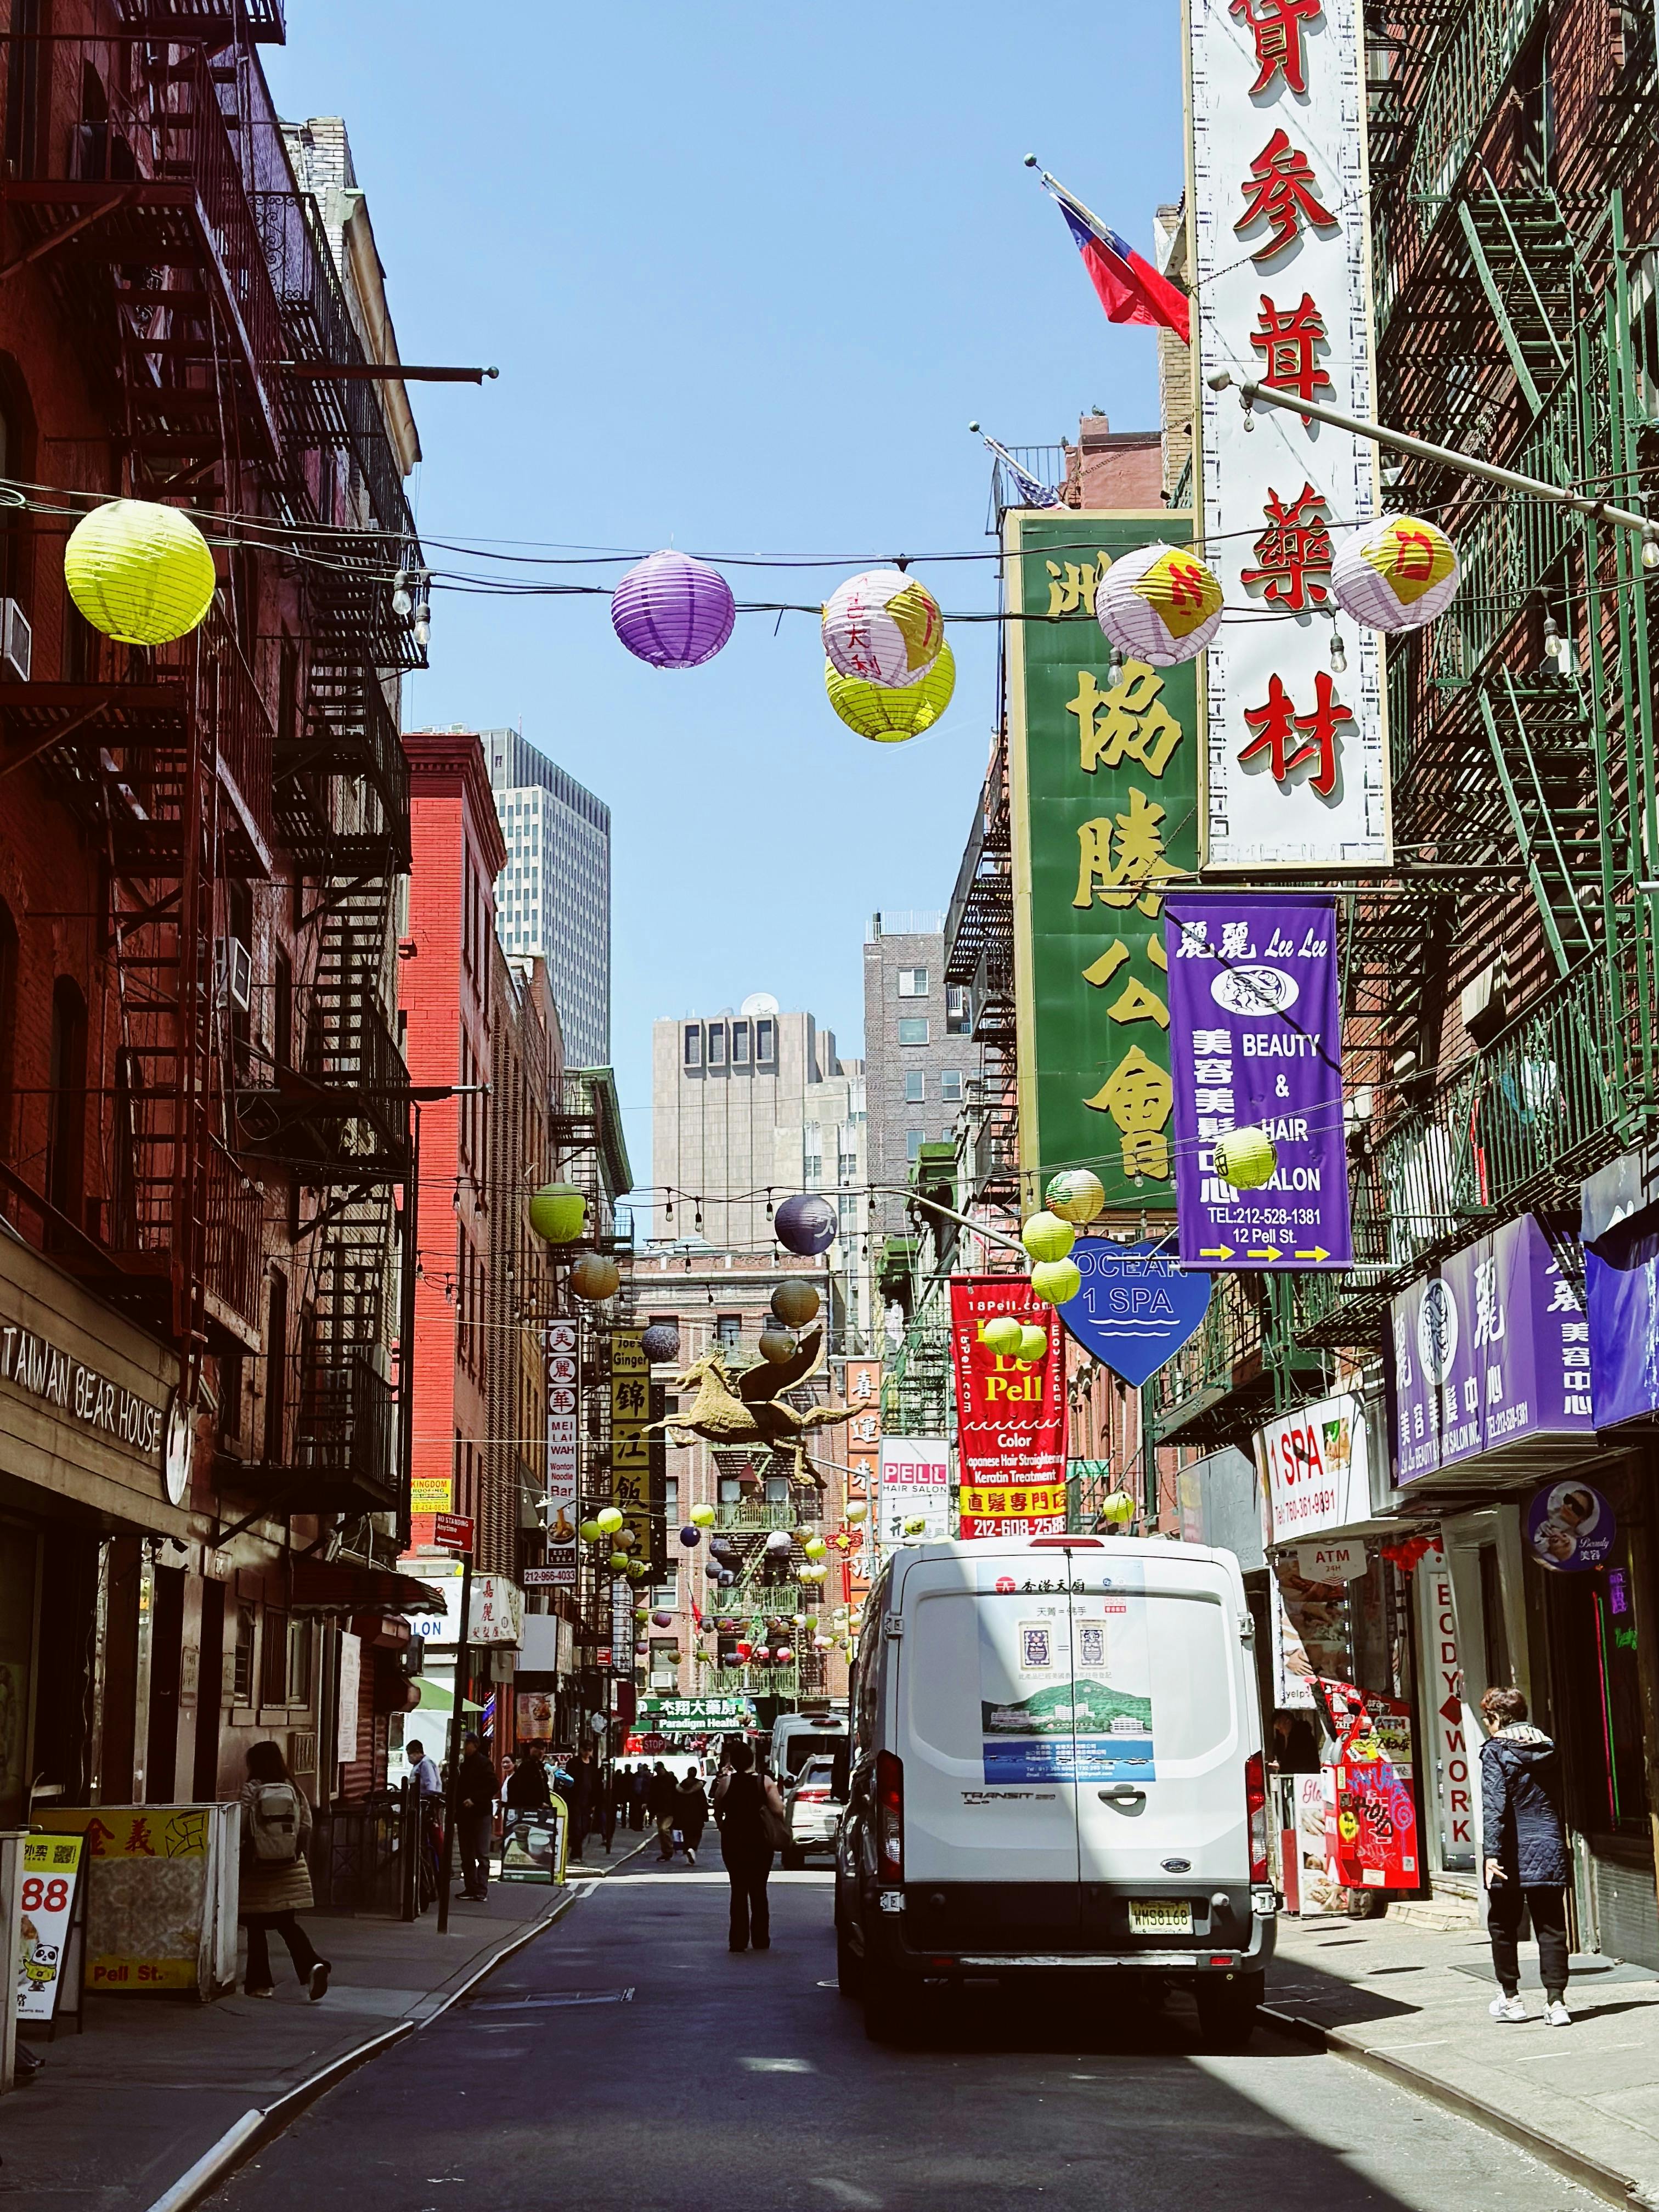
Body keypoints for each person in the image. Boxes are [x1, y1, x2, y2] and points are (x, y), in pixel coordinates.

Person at [1481, 1685, 1572, 2027]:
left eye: (1487, 1718)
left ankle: (1511, 1999)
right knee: (1551, 1926)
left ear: (1496, 1718)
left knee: (1503, 1924)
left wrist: (1491, 1853)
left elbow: (1495, 1806)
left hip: (1510, 1849)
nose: (1486, 1724)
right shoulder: (1548, 1747)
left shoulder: (1496, 1750)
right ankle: (1557, 2003)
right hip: (1548, 1844)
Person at [239, 1741, 330, 2000]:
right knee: (287, 1924)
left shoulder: (252, 1789)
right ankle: (312, 1965)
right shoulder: (292, 1788)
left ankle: (260, 1985)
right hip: (290, 1868)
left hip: (258, 1870)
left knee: (256, 1928)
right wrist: (294, 1853)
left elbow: (242, 1826)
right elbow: (307, 1826)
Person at [713, 1740, 784, 1953]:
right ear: (752, 1760)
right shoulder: (765, 1782)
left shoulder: (726, 1783)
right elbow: (779, 1810)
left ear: (733, 1762)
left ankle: (738, 1940)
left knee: (738, 1890)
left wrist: (723, 1827)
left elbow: (717, 1810)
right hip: (759, 1841)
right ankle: (761, 1939)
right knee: (759, 1890)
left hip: (733, 1841)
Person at [453, 1731, 498, 1901]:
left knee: (482, 1853)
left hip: (480, 1814)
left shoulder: (483, 1763)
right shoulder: (462, 1765)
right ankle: (470, 1887)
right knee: (467, 1854)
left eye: (467, 1744)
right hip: (465, 1815)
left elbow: (493, 1785)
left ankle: (481, 1889)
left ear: (475, 1745)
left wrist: (475, 1800)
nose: (464, 1747)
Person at [407, 1737, 444, 1906]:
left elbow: (431, 1786)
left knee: (431, 1844)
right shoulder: (421, 1764)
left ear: (417, 1753)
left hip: (427, 1809)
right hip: (423, 1806)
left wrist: (427, 1800)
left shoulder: (425, 1765)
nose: (409, 1758)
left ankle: (437, 1877)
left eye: (410, 1755)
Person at [675, 1765, 709, 1866]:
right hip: (697, 1816)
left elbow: (677, 1804)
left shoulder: (681, 1787)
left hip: (684, 1816)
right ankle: (693, 1848)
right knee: (697, 1834)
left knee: (687, 1835)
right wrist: (705, 1817)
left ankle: (688, 1854)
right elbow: (703, 1803)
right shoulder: (699, 1788)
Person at [571, 1745, 600, 1859]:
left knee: (585, 1828)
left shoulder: (593, 1765)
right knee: (577, 1828)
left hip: (588, 1801)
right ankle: (576, 1854)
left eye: (589, 1750)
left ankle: (575, 1849)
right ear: (581, 1750)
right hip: (576, 1800)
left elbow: (596, 1784)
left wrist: (595, 1802)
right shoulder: (574, 1763)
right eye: (585, 1750)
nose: (587, 1752)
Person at [504, 1745, 551, 1813]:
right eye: (538, 1749)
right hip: (530, 1809)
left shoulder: (540, 1767)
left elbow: (545, 1787)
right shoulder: (526, 1767)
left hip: (541, 1808)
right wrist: (538, 1803)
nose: (540, 1752)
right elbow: (522, 1790)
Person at [648, 1760, 679, 1860]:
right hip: (660, 1809)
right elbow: (652, 1795)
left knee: (663, 1829)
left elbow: (677, 1793)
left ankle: (669, 1850)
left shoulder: (671, 1779)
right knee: (661, 1832)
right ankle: (666, 1852)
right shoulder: (655, 1780)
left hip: (670, 1809)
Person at [628, 1763, 650, 1831]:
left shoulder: (646, 1777)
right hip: (636, 1796)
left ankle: (640, 1825)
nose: (640, 1769)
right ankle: (636, 1826)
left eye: (641, 1768)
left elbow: (648, 1787)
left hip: (642, 1796)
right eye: (639, 1768)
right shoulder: (635, 1776)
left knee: (641, 1812)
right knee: (636, 1811)